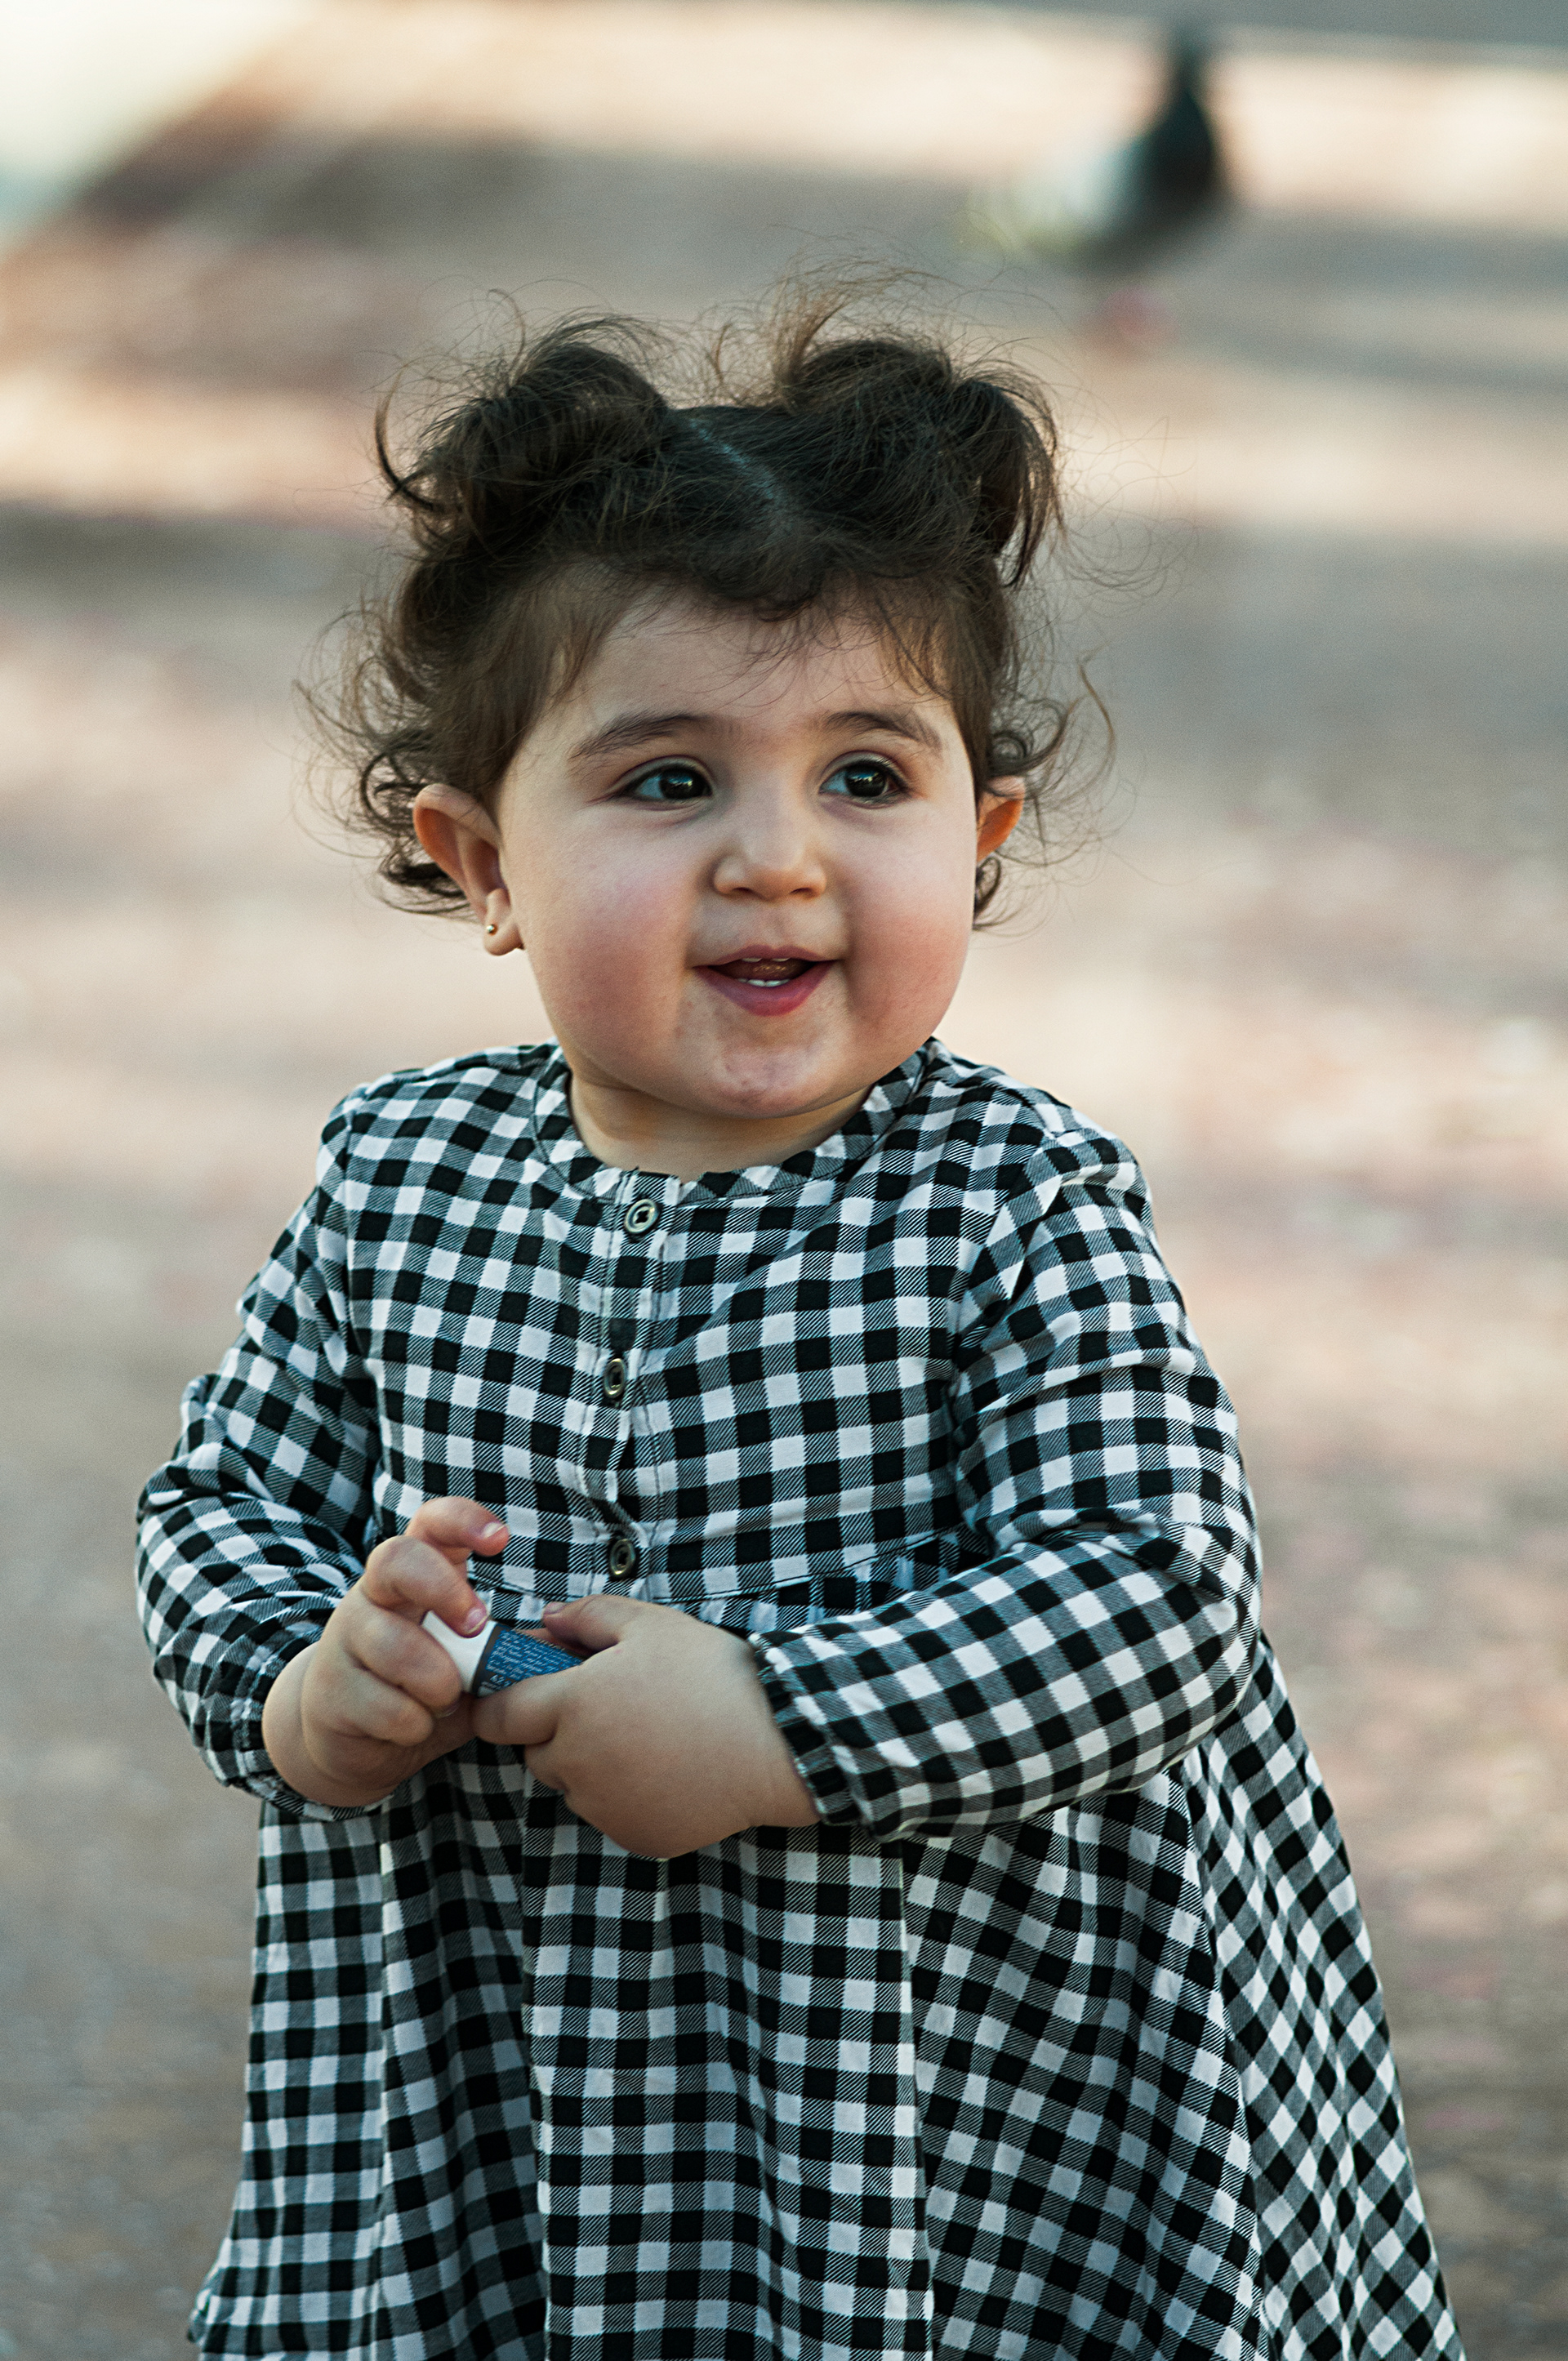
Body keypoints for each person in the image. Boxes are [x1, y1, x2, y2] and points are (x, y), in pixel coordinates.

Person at [136, 287, 1463, 2361]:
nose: (777, 860)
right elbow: (220, 1508)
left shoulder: (1011, 1199)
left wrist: (788, 1726)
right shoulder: (399, 1177)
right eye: (669, 780)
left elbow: (1161, 1592)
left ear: (978, 835)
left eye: (865, 775)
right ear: (481, 860)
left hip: (954, 2084)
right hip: (521, 2060)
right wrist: (309, 1683)